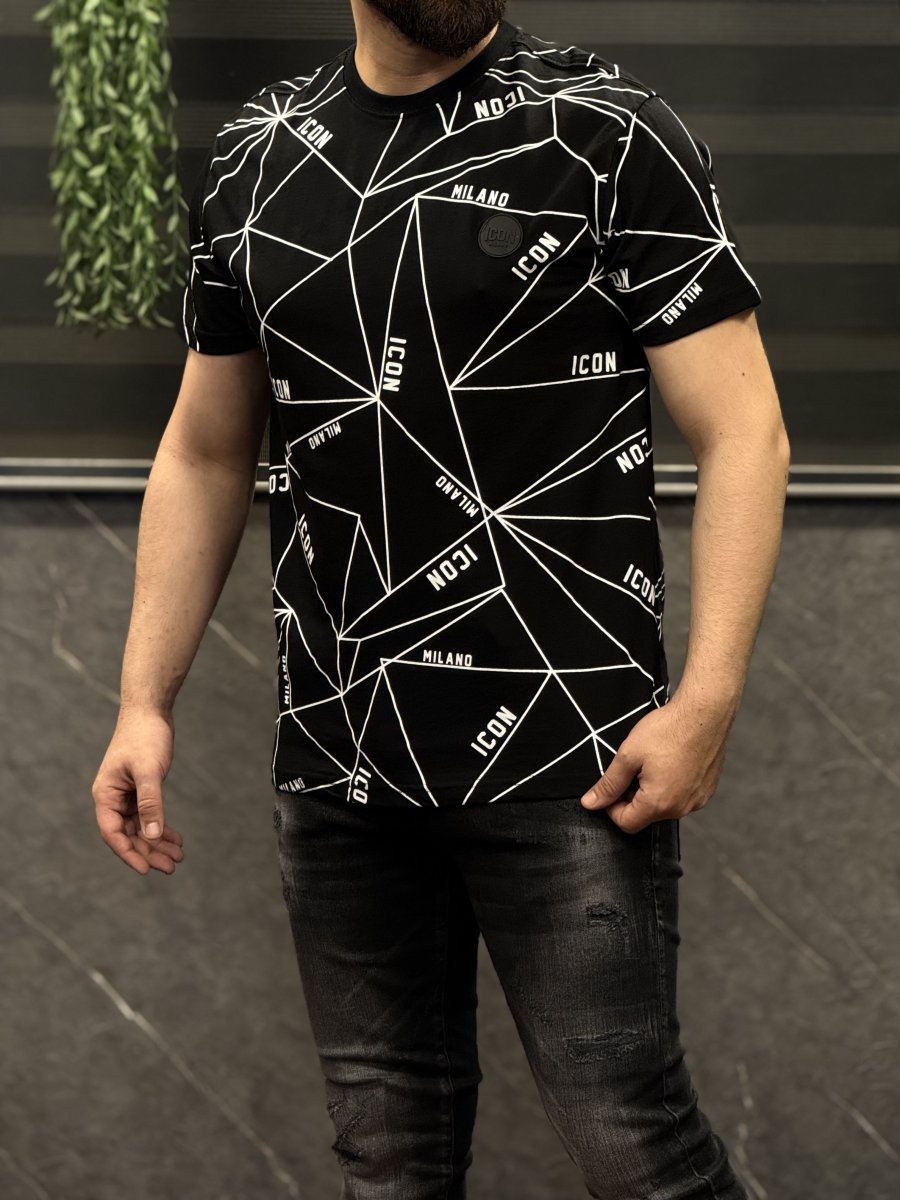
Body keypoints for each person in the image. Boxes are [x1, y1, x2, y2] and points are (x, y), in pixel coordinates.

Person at [93, 1, 790, 1196]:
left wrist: (709, 696)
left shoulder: (609, 131)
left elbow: (745, 431)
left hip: (571, 752)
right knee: (386, 1161)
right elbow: (205, 451)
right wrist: (142, 703)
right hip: (341, 751)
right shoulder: (262, 151)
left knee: (635, 1148)